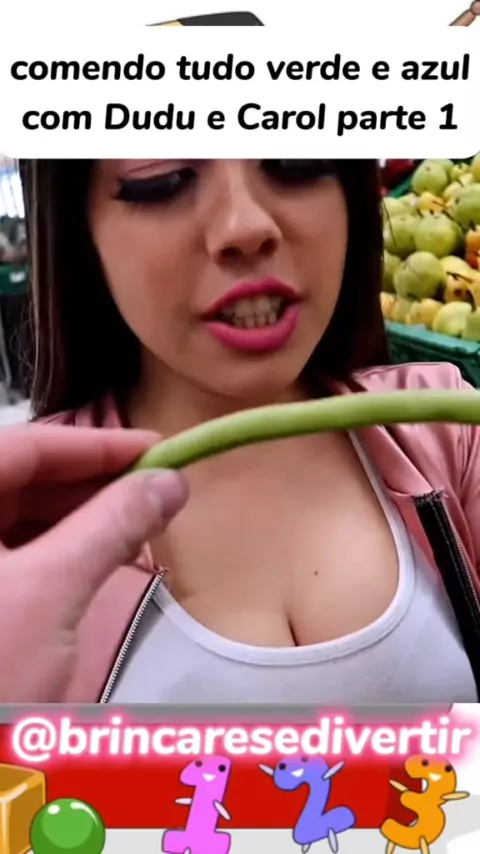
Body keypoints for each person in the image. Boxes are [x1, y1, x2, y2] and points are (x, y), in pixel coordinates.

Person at [3, 158, 480, 704]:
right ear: (76, 225)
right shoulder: (25, 525)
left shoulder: (446, 429)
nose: (246, 226)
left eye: (297, 161)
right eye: (162, 181)